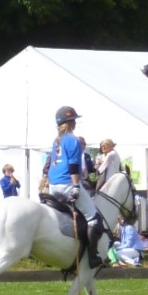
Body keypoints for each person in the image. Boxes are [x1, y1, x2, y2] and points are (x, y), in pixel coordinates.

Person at [44, 106, 103, 261]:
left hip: (53, 185)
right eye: (74, 120)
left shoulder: (56, 141)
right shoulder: (73, 139)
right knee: (93, 218)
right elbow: (73, 167)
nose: (75, 123)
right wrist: (77, 186)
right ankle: (92, 256)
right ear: (71, 123)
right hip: (67, 184)